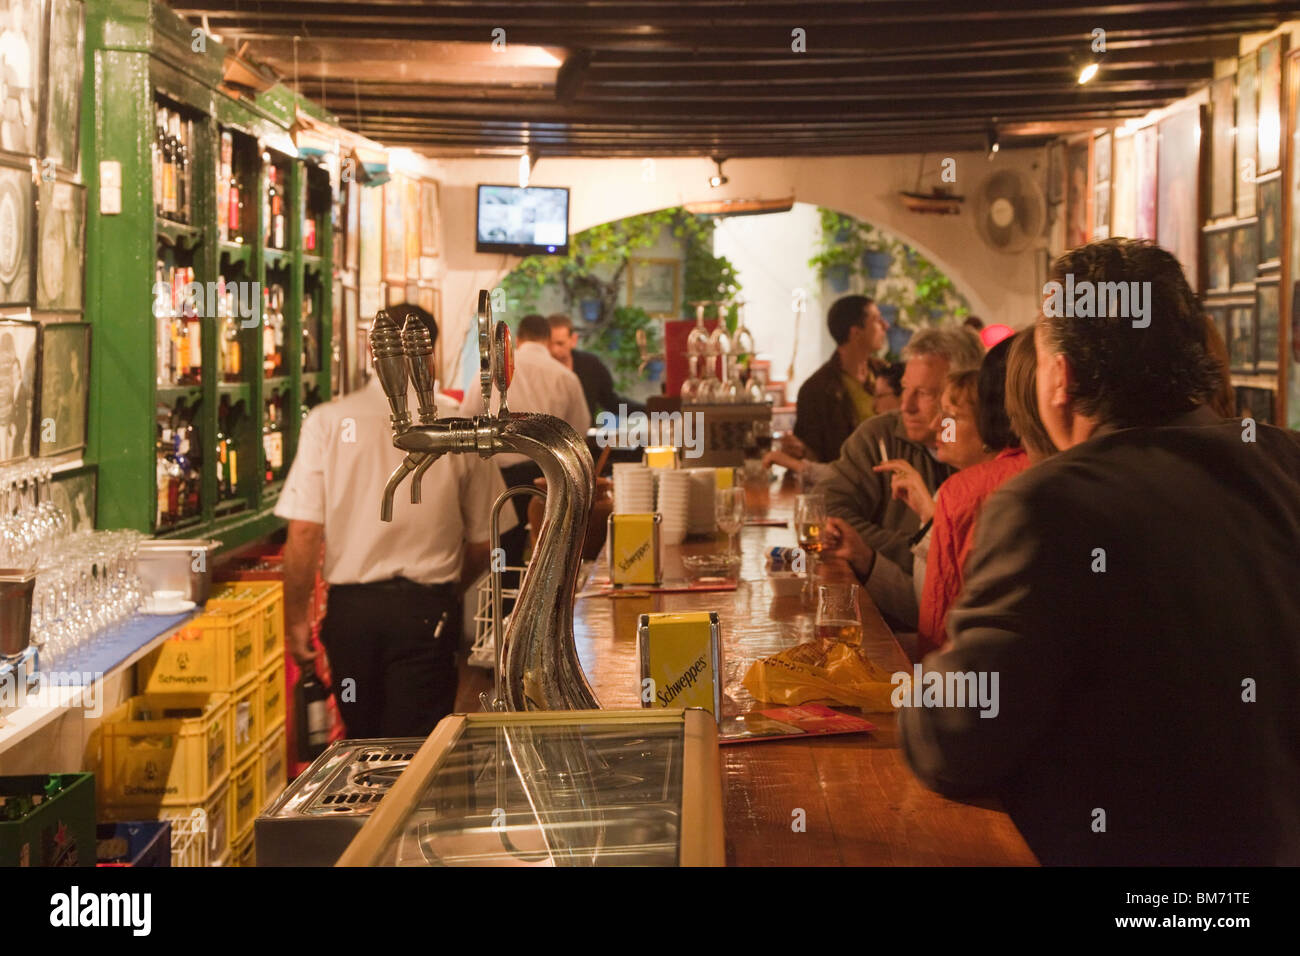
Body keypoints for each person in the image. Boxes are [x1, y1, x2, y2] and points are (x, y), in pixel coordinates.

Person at [901, 239, 1300, 865]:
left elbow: (958, 737)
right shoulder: (1287, 463)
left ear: (1061, 377)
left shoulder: (1049, 505)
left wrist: (920, 685)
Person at [276, 304, 513, 739]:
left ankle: (367, 807)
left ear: (371, 351)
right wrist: (444, 591)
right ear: (432, 353)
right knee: (417, 748)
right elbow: (486, 543)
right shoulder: (459, 428)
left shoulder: (327, 422)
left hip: (350, 619)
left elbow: (305, 532)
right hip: (426, 613)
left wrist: (295, 621)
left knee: (359, 740)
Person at [816, 325, 983, 629]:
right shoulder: (877, 436)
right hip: (888, 618)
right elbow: (827, 512)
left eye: (925, 393)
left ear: (965, 392)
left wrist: (924, 547)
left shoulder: (986, 462)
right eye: (905, 388)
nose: (906, 405)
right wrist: (918, 548)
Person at [914, 337, 1029, 657]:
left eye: (952, 415)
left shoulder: (963, 493)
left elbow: (936, 632)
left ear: (990, 422)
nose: (939, 425)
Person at [461, 312, 590, 567]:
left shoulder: (490, 373)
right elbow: (580, 432)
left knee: (505, 560)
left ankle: (508, 604)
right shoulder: (565, 377)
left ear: (518, 340)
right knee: (548, 560)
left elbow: (468, 421)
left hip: (502, 479)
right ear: (547, 339)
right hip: (548, 479)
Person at [792, 295, 889, 463]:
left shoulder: (885, 374)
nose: (885, 326)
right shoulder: (816, 390)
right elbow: (811, 456)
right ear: (856, 332)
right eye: (876, 320)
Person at [546, 313, 634, 424]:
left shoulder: (591, 365)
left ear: (573, 340)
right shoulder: (538, 371)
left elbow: (611, 401)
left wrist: (650, 410)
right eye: (549, 344)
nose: (554, 350)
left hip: (583, 437)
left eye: (560, 343)